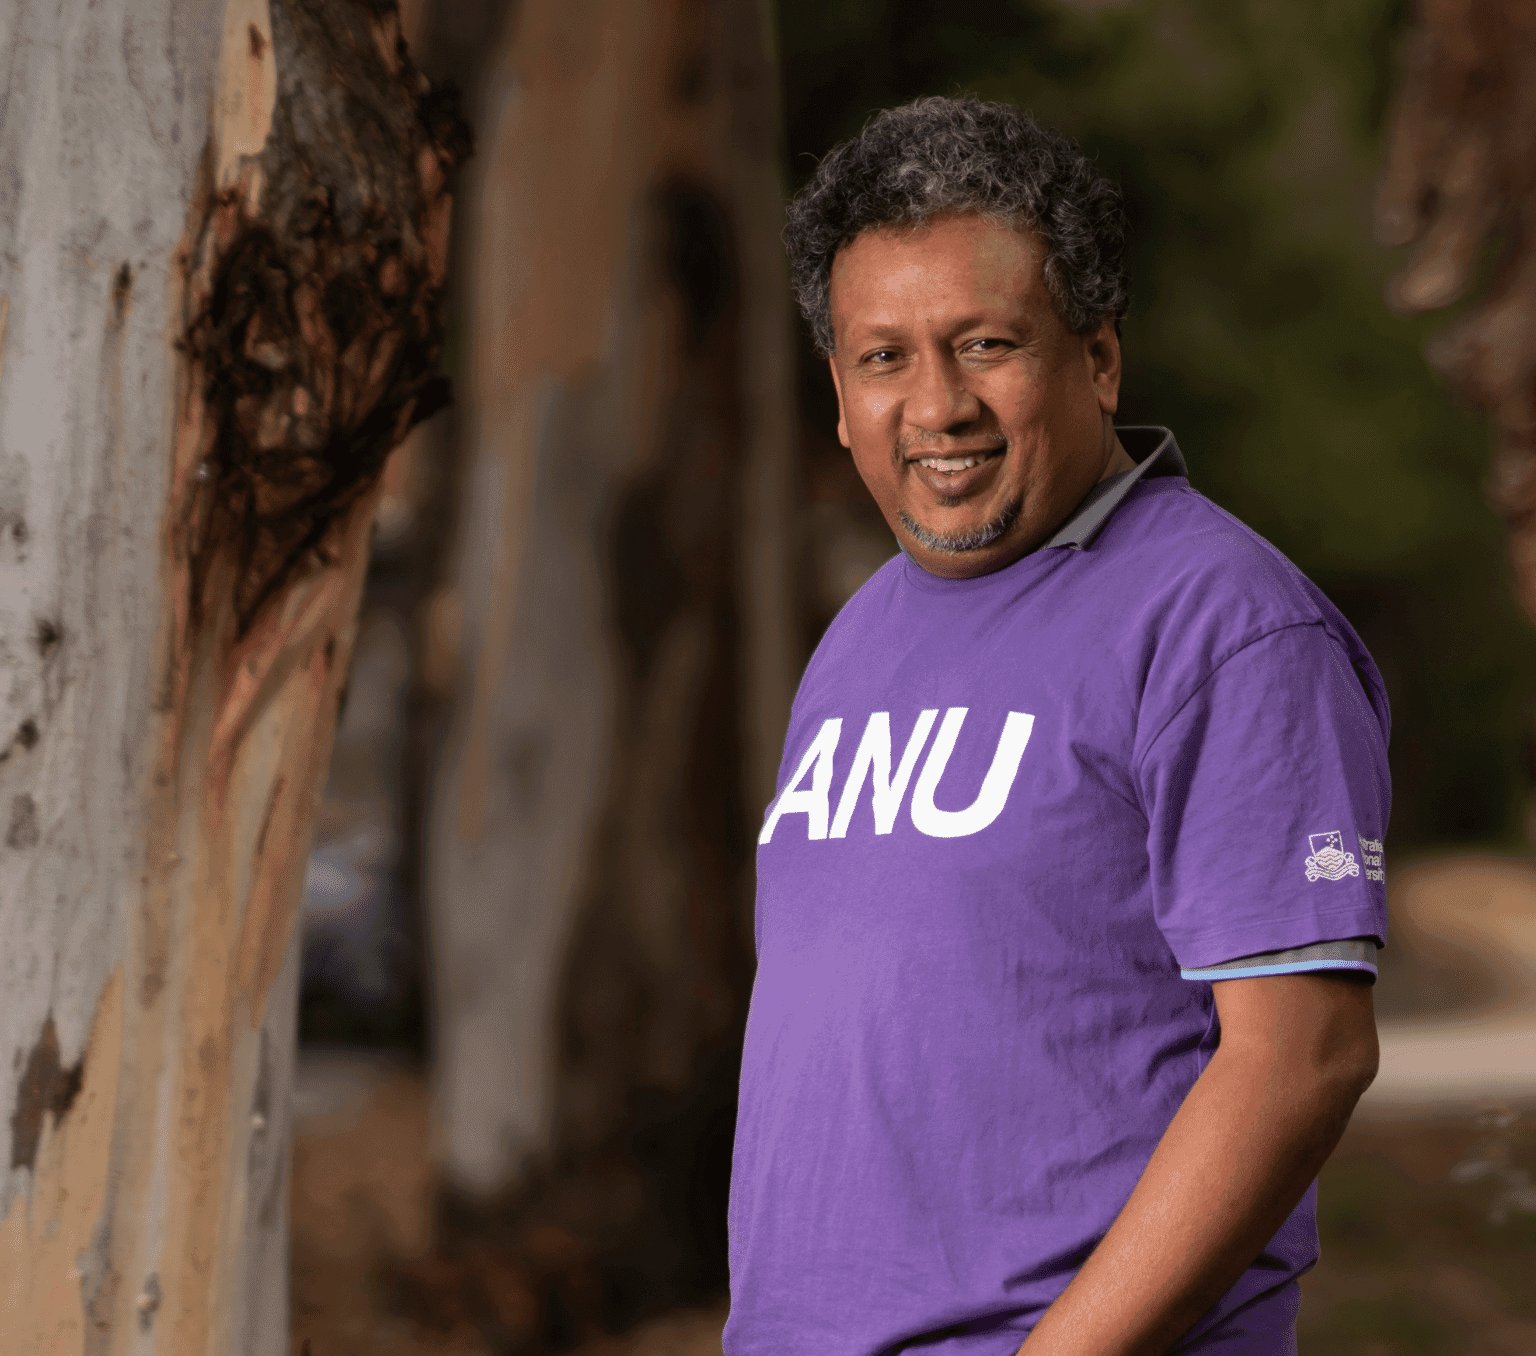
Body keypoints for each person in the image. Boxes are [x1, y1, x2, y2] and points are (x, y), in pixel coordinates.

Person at [725, 97, 1388, 1356]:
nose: (938, 405)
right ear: (838, 393)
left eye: (986, 344)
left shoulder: (1225, 625)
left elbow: (1302, 1057)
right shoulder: (863, 633)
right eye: (885, 357)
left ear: (1097, 358)